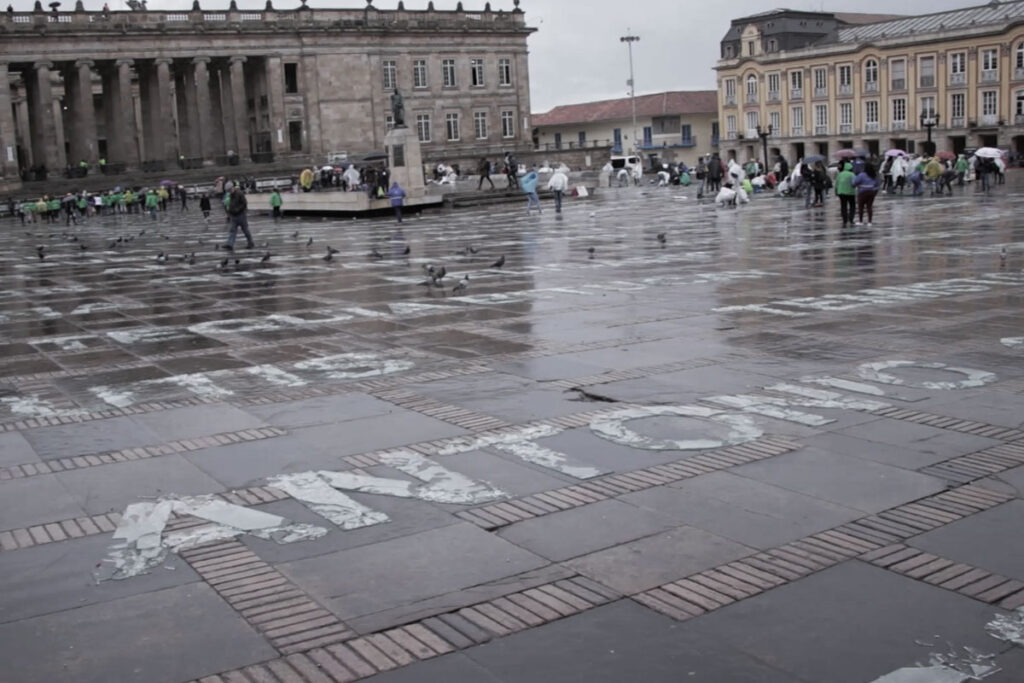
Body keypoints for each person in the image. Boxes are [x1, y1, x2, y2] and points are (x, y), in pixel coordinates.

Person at [224, 185, 255, 250]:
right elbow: (230, 203)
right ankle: (230, 244)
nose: (229, 192)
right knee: (232, 230)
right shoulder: (230, 195)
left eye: (230, 190)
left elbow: (244, 203)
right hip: (233, 215)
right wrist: (230, 211)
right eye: (228, 191)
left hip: (241, 215)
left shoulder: (239, 193)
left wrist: (238, 209)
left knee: (245, 230)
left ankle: (250, 243)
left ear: (232, 188)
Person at [852, 161, 879, 226]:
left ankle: (860, 221)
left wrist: (853, 180)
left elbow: (855, 182)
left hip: (862, 192)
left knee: (861, 207)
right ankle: (869, 222)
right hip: (871, 192)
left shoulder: (862, 175)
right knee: (869, 207)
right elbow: (877, 184)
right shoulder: (874, 175)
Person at [835, 161, 856, 227]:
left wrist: (836, 192)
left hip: (841, 192)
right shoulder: (852, 174)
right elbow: (854, 183)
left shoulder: (840, 174)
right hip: (850, 192)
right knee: (852, 206)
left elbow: (836, 184)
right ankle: (851, 219)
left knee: (843, 206)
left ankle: (845, 220)